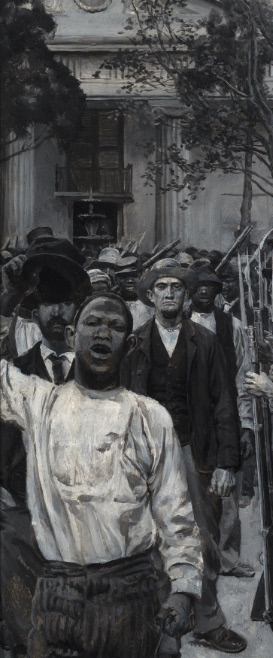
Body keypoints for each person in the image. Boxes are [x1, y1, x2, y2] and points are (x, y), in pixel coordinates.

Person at [1, 292, 203, 658]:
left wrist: (183, 589)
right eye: (92, 323)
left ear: (129, 344)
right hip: (56, 598)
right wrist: (11, 291)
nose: (102, 333)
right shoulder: (39, 402)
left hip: (130, 598)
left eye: (115, 327)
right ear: (70, 336)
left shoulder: (150, 416)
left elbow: (177, 513)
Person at [123, 260, 247, 656]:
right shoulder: (136, 343)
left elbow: (224, 402)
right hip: (146, 455)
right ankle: (165, 627)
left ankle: (209, 620)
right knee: (152, 540)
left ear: (187, 295)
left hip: (194, 451)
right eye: (162, 287)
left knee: (203, 538)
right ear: (151, 296)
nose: (170, 293)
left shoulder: (204, 342)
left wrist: (227, 462)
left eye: (177, 286)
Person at [1, 249, 91, 658]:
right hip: (27, 507)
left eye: (67, 302)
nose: (58, 312)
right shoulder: (16, 370)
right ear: (34, 314)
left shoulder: (106, 371)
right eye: (47, 303)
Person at [189, 261, 255, 578]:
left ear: (218, 290)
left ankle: (227, 557)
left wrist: (246, 426)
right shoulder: (178, 324)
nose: (204, 291)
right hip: (189, 418)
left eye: (210, 286)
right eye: (198, 285)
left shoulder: (232, 326)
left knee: (228, 491)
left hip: (224, 416)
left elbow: (244, 377)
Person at [115, 264, 153, 330]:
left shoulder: (151, 305)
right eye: (124, 276)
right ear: (117, 280)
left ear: (141, 278)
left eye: (134, 276)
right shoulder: (113, 305)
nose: (130, 281)